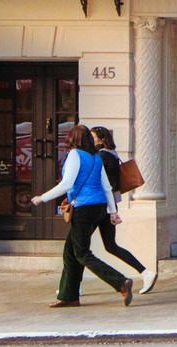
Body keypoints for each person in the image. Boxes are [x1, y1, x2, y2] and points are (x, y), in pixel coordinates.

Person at [32, 125, 136, 309]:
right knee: (70, 252)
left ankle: (120, 282)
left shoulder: (75, 154)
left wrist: (42, 198)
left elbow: (66, 184)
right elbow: (106, 187)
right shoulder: (96, 157)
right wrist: (112, 211)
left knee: (81, 253)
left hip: (84, 209)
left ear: (72, 138)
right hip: (99, 208)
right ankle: (68, 296)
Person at [90, 126, 157, 294]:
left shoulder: (102, 156)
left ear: (101, 139)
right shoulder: (111, 154)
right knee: (110, 246)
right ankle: (145, 273)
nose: (91, 140)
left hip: (100, 205)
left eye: (93, 137)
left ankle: (73, 286)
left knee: (79, 248)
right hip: (108, 205)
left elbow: (106, 183)